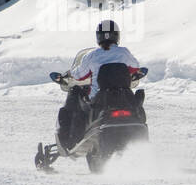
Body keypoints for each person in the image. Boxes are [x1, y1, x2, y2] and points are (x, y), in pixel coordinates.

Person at [57, 20, 144, 150]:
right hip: (124, 97)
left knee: (77, 102)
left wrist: (67, 75)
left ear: (98, 36)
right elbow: (135, 67)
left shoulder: (92, 55)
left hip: (100, 100)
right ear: (117, 35)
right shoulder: (124, 52)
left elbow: (78, 75)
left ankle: (72, 139)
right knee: (137, 105)